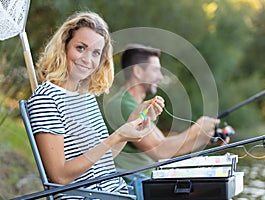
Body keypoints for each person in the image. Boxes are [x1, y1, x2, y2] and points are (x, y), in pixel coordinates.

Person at [26, 13, 164, 199]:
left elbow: (101, 161)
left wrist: (132, 123)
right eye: (80, 48)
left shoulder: (86, 96)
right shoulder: (46, 99)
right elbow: (59, 177)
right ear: (64, 45)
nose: (87, 59)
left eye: (96, 53)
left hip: (120, 193)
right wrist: (115, 137)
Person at [105, 43, 229, 199]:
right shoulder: (124, 105)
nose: (160, 76)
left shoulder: (135, 105)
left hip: (147, 182)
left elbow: (165, 145)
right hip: (134, 186)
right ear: (137, 71)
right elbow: (160, 152)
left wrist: (203, 137)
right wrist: (197, 128)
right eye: (155, 70)